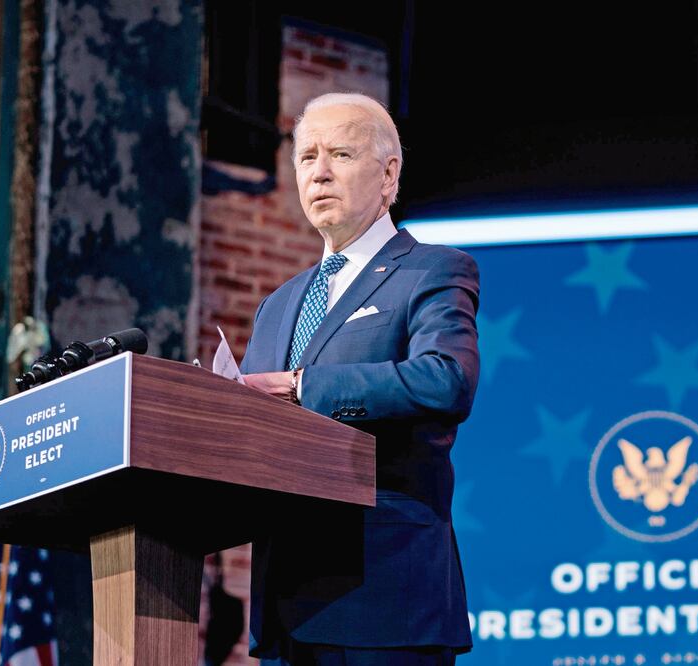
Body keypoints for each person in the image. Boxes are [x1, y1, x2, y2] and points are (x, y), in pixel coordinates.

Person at [240, 92, 480, 666]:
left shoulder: (433, 269)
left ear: (389, 173)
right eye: (307, 157)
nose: (319, 172)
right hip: (284, 607)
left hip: (384, 596)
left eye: (341, 154)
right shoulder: (277, 305)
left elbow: (447, 380)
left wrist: (303, 387)